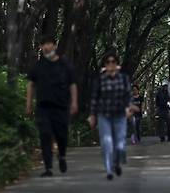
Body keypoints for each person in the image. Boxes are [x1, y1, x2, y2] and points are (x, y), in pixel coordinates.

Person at [26, 36, 78, 177]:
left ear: (54, 46)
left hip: (61, 107)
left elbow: (72, 84)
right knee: (45, 134)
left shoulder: (64, 64)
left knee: (61, 135)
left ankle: (62, 156)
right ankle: (48, 167)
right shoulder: (38, 66)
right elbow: (31, 84)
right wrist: (29, 103)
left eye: (49, 44)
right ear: (41, 47)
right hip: (43, 107)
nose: (46, 47)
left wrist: (74, 102)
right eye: (44, 45)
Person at [88, 51, 132, 181]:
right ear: (105, 65)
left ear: (117, 64)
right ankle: (108, 170)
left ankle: (116, 162)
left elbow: (128, 95)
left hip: (120, 115)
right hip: (104, 115)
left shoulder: (123, 78)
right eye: (108, 62)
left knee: (119, 145)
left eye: (113, 62)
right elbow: (94, 99)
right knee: (106, 142)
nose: (111, 64)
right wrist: (92, 115)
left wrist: (128, 108)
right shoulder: (100, 80)